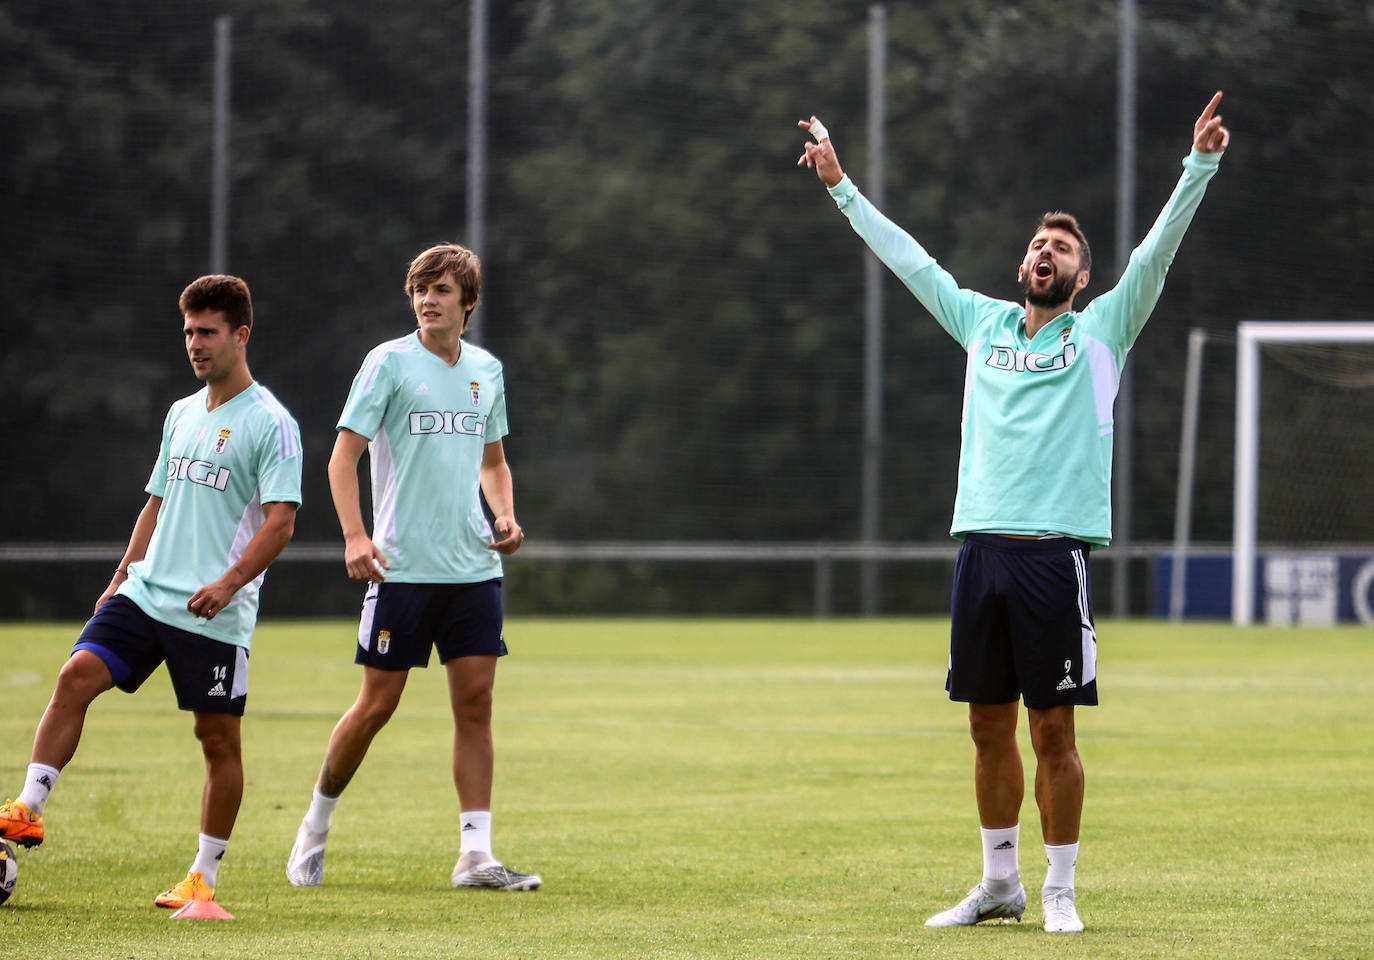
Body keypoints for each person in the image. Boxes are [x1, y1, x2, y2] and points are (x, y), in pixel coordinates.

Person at [797, 94, 1229, 933]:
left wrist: (1199, 164)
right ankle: (1000, 884)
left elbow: (1157, 253)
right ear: (1022, 262)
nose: (1045, 252)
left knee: (1053, 732)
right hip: (981, 553)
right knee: (985, 729)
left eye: (1061, 248)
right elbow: (910, 260)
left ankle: (1060, 891)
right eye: (1038, 244)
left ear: (1082, 278)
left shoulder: (1102, 332)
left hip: (1052, 556)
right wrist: (840, 185)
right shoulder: (982, 323)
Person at [0, 275, 302, 909]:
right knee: (76, 674)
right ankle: (28, 806)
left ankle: (203, 879)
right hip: (147, 592)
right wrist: (120, 578)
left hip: (213, 613)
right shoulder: (182, 412)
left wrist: (229, 583)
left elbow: (280, 523)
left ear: (241, 335)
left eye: (207, 332)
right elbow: (156, 504)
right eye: (188, 331)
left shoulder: (272, 423)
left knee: (217, 741)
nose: (194, 343)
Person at [285, 242, 539, 892]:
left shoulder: (486, 371)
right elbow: (342, 458)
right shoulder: (388, 364)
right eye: (421, 289)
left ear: (468, 302)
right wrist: (354, 537)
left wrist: (505, 517)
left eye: (442, 289)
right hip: (399, 570)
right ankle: (315, 823)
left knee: (476, 705)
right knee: (377, 706)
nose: (428, 299)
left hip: (474, 570)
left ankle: (475, 856)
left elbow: (493, 462)